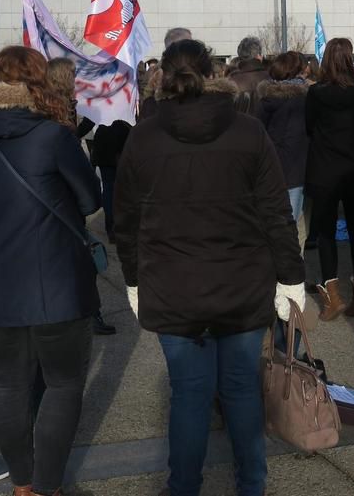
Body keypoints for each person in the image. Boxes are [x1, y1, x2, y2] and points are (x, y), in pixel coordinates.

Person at [113, 39, 305, 496]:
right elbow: (277, 213)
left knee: (190, 396)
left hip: (173, 287)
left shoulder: (144, 136)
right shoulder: (248, 132)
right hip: (239, 285)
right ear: (213, 72)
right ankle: (251, 485)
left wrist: (134, 279)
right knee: (240, 390)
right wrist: (291, 277)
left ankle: (184, 487)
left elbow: (124, 221)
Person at [0, 46, 102, 494]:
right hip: (56, 279)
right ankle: (47, 486)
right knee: (62, 385)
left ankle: (22, 485)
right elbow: (89, 200)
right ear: (36, 82)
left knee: (6, 384)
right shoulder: (52, 135)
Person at [305, 38, 354, 320]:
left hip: (324, 167)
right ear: (349, 59)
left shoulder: (316, 93)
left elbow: (309, 128)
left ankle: (333, 297)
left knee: (325, 232)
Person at [46, 57, 113, 336]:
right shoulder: (53, 108)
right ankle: (84, 313)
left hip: (63, 190)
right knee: (75, 256)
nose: (77, 78)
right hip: (61, 190)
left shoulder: (65, 104)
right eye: (72, 74)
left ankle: (87, 312)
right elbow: (64, 142)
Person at [257, 51, 311, 250]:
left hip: (270, 169)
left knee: (282, 224)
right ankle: (291, 276)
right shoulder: (304, 100)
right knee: (293, 225)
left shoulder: (266, 100)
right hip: (297, 169)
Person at [229, 36, 270, 115]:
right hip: (266, 126)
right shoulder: (271, 78)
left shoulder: (232, 81)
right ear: (258, 56)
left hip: (240, 125)